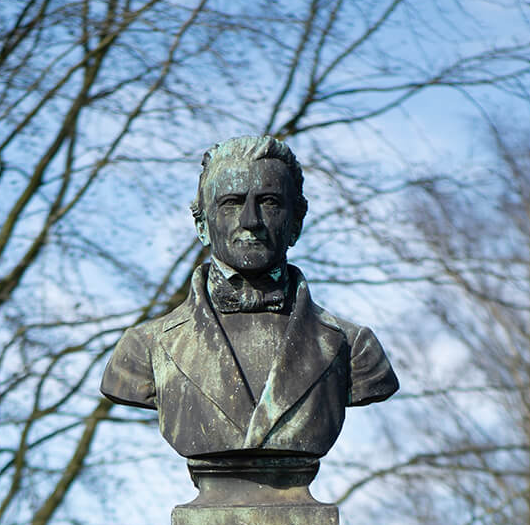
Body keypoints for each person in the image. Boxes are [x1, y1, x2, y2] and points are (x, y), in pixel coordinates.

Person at [100, 135, 398, 468]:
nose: (250, 221)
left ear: (296, 223)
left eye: (269, 202)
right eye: (231, 203)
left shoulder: (354, 348)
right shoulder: (144, 350)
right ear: (202, 226)